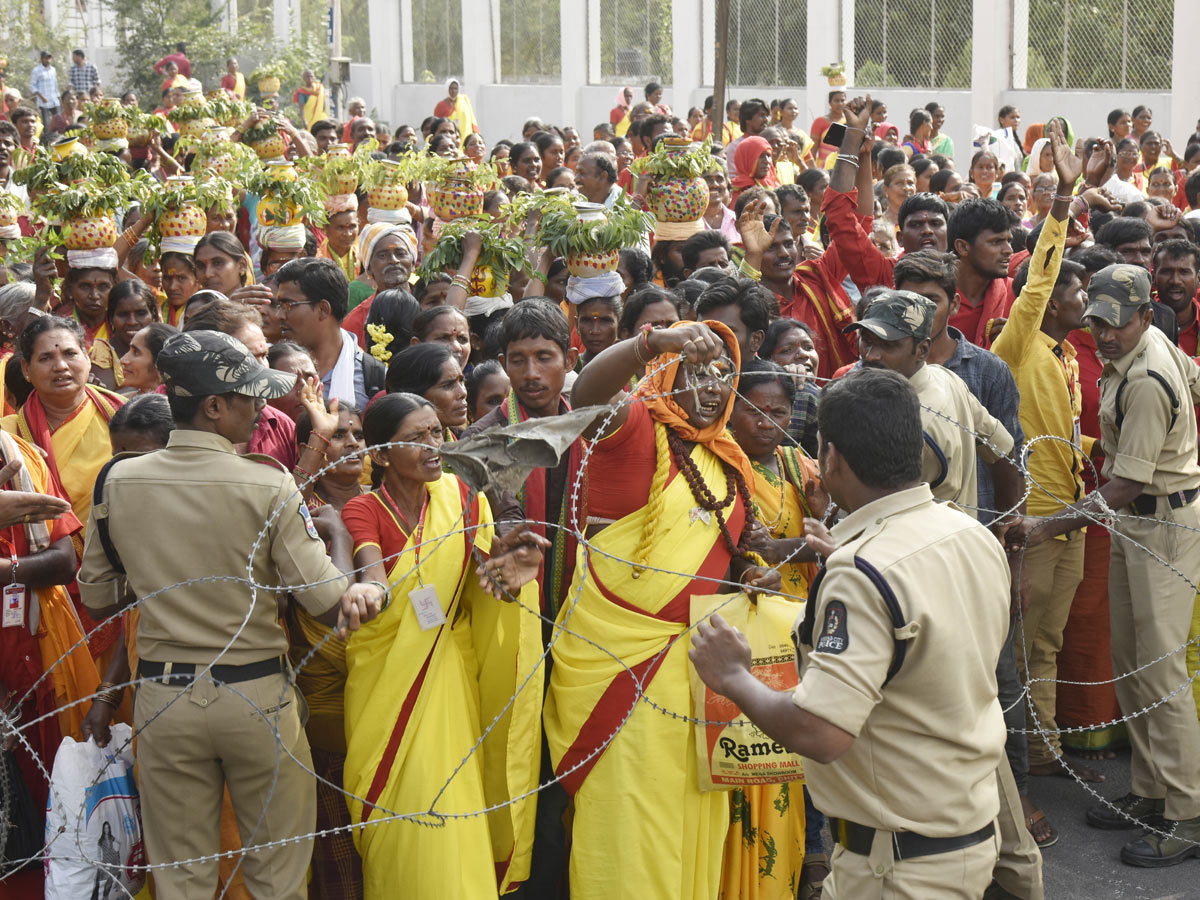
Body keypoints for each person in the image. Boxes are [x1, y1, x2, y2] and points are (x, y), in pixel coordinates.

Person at [77, 329, 380, 899]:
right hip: (256, 697)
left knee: (181, 878)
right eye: (249, 397)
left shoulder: (119, 481)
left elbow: (97, 598)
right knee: (276, 875)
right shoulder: (265, 484)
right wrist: (346, 546)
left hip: (164, 700)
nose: (261, 407)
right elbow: (322, 598)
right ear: (214, 406)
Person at [690, 366, 1011, 900]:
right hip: (961, 829)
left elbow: (822, 734)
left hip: (897, 863)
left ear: (831, 457)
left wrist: (734, 677)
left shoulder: (860, 571)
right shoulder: (969, 533)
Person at [545, 318, 778, 900]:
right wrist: (650, 342)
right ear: (669, 373)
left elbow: (724, 554)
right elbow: (585, 396)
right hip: (618, 669)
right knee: (628, 826)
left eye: (725, 375)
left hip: (698, 675)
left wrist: (750, 573)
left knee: (694, 822)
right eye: (697, 371)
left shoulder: (728, 460)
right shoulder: (633, 429)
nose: (711, 387)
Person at [1010, 264, 1200, 868]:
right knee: (1133, 663)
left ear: (1144, 315)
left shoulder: (1145, 377)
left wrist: (1047, 524)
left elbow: (1121, 487)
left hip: (1159, 522)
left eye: (1117, 323)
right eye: (1098, 321)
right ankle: (1152, 790)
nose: (1105, 335)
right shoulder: (1150, 347)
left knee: (1162, 675)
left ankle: (1187, 812)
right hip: (1142, 521)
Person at [340, 392, 547, 897]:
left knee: (453, 808)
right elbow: (372, 568)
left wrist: (508, 576)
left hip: (453, 678)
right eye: (417, 438)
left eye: (437, 433)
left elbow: (480, 594)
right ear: (382, 455)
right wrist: (369, 587)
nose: (435, 446)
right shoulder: (364, 508)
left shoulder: (464, 498)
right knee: (402, 815)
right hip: (387, 679)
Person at [0, 427, 100, 887]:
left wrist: (10, 571)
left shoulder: (23, 458)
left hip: (36, 653)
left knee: (47, 797)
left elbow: (64, 561)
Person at [274, 257, 385, 410]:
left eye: (288, 305)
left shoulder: (372, 377)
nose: (279, 315)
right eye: (279, 306)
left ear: (323, 309)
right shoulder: (273, 370)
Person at [385, 342, 468, 437]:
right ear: (413, 396)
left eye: (461, 381)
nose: (463, 392)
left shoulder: (465, 445)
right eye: (447, 385)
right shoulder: (392, 449)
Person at [118, 322, 177, 395]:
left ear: (160, 364)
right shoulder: (117, 403)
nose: (122, 360)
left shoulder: (180, 405)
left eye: (136, 352)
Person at [29, 51, 59, 130]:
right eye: (46, 58)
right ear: (42, 59)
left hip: (54, 99)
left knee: (59, 120)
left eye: (49, 58)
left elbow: (55, 84)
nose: (48, 60)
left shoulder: (53, 70)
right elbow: (32, 85)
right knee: (46, 123)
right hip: (43, 101)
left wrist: (59, 97)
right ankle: (47, 140)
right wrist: (41, 97)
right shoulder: (36, 70)